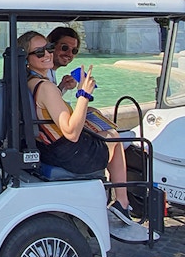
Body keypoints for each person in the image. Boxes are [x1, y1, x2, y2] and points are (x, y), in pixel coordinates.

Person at [18, 30, 133, 225]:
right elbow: (71, 132)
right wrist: (83, 94)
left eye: (48, 49)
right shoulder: (45, 87)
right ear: (27, 59)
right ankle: (121, 201)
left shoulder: (30, 82)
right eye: (39, 52)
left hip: (49, 148)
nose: (47, 54)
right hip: (69, 153)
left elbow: (47, 110)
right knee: (115, 137)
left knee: (105, 132)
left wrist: (62, 89)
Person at [46, 27, 81, 93]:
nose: (69, 54)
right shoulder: (43, 75)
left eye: (74, 50)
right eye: (65, 47)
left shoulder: (49, 72)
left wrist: (63, 87)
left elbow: (50, 100)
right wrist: (83, 94)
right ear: (51, 46)